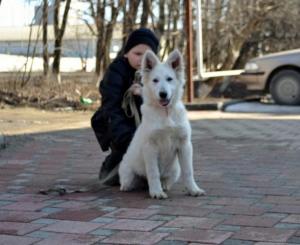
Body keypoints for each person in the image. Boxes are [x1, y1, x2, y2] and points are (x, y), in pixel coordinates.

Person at [91, 28, 159, 186]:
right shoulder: (115, 72)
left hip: (148, 127)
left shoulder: (158, 75)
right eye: (137, 54)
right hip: (119, 125)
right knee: (116, 173)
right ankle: (112, 166)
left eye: (148, 55)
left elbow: (164, 105)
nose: (142, 60)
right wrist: (128, 139)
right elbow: (111, 108)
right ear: (126, 53)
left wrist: (144, 94)